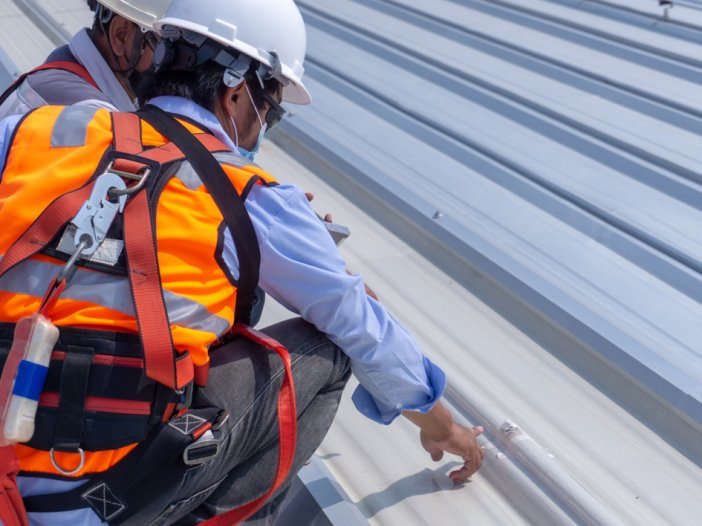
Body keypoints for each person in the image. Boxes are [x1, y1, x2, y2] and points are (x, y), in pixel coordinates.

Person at [0, 0, 484, 524]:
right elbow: (360, 325)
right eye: (271, 111)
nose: (264, 128)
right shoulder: (250, 194)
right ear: (236, 95)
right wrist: (441, 423)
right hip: (97, 499)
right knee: (327, 349)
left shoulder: (36, 132)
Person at [0, 0, 168, 119]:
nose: (174, 63)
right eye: (165, 48)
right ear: (121, 36)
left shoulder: (64, 71)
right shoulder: (90, 116)